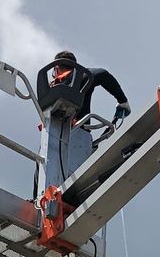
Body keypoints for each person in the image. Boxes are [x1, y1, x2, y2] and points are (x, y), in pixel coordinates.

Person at [35, 50, 129, 190]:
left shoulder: (50, 90)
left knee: (41, 165)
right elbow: (102, 74)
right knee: (75, 184)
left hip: (51, 139)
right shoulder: (81, 76)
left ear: (56, 69)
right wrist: (122, 101)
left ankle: (36, 200)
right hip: (78, 137)